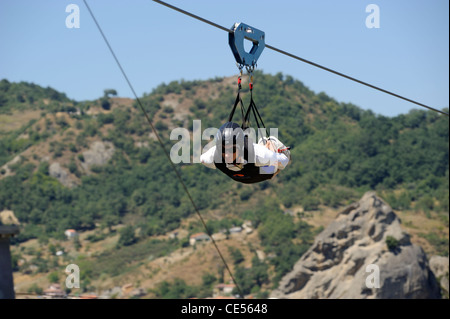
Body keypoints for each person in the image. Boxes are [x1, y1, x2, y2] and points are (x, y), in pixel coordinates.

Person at [200, 122, 290, 184]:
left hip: (263, 172)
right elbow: (202, 159)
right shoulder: (212, 157)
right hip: (252, 174)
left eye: (232, 150)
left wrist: (275, 162)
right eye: (223, 150)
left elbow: (284, 160)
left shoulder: (258, 154)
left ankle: (268, 145)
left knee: (271, 149)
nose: (227, 155)